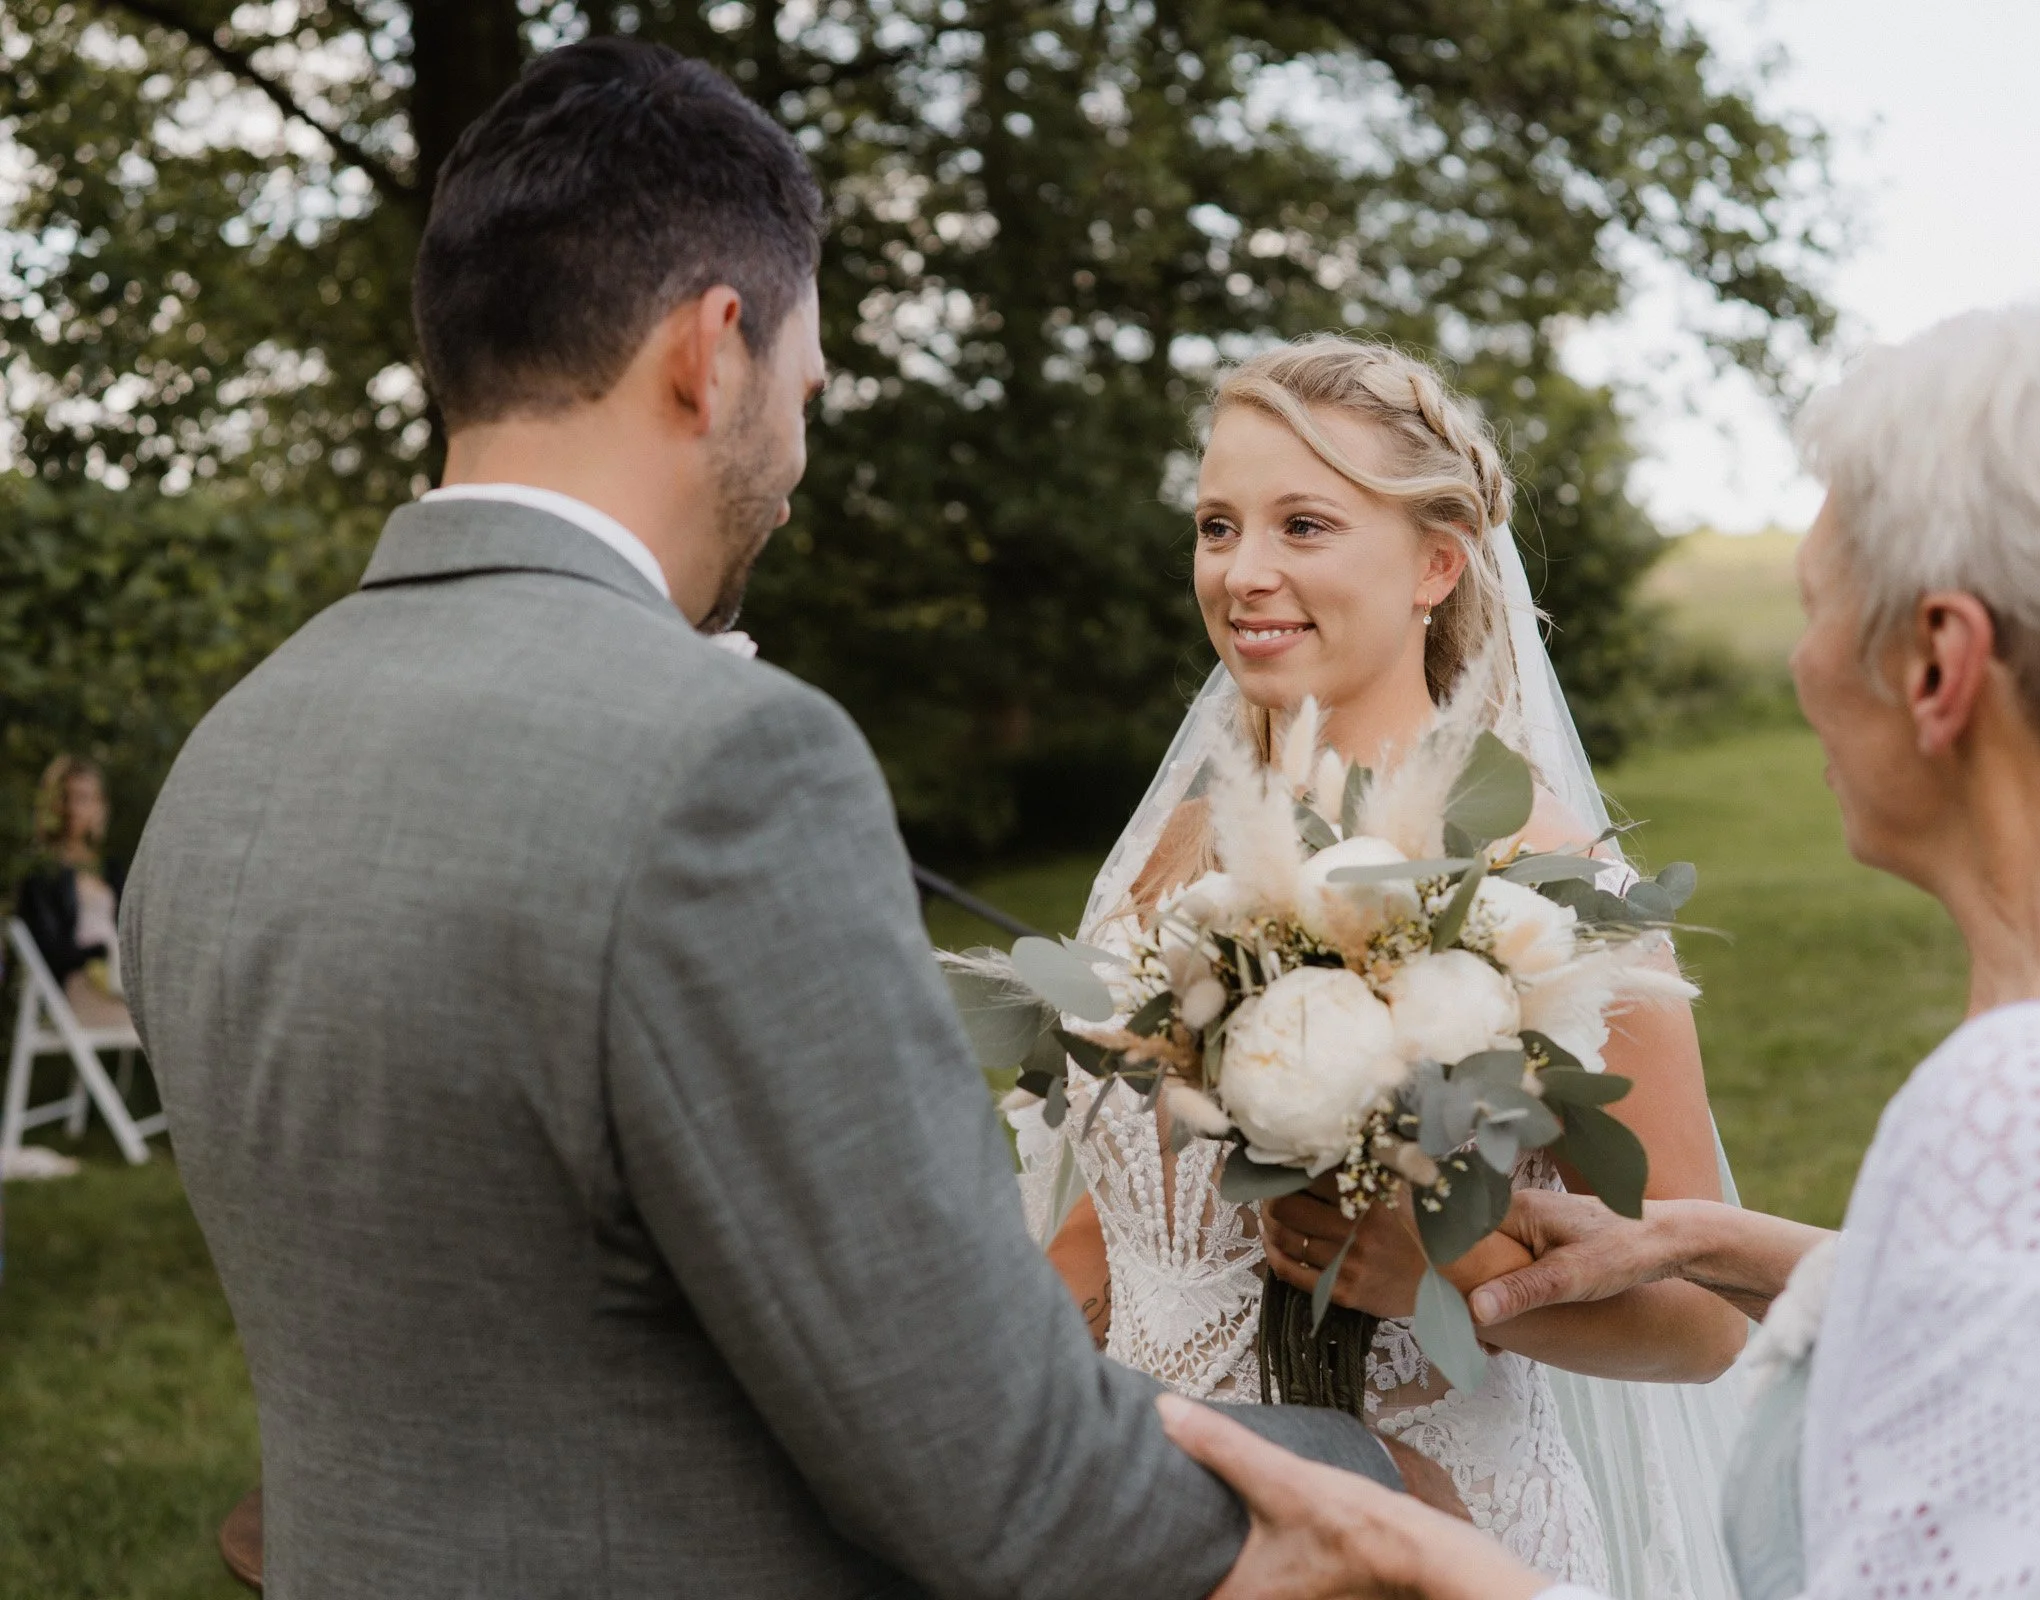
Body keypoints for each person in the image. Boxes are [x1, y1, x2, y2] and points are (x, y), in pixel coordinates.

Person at [121, 40, 1407, 1600]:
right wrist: (1373, 1478)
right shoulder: (723, 766)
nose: (793, 466)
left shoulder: (234, 754)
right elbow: (1008, 1482)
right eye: (803, 393)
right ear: (711, 351)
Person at [1161, 288, 2040, 1598]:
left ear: (1939, 663)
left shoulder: (2034, 1108)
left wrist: (1440, 1565)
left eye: (1819, 603)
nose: (1802, 665)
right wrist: (1734, 1248)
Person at [1012, 336, 1752, 1595]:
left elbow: (1706, 1320)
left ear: (1437, 562)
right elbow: (1118, 1229)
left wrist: (1450, 1277)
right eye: (1216, 526)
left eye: (1303, 524)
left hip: (1432, 1537)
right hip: (1162, 1530)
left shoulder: (1549, 887)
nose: (1243, 571)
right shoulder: (1174, 856)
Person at [15, 755, 132, 1031]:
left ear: (100, 806)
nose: (73, 808)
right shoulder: (41, 872)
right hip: (73, 989)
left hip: (117, 980)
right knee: (165, 1023)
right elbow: (50, 952)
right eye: (66, 797)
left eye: (84, 798)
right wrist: (100, 952)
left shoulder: (109, 869)